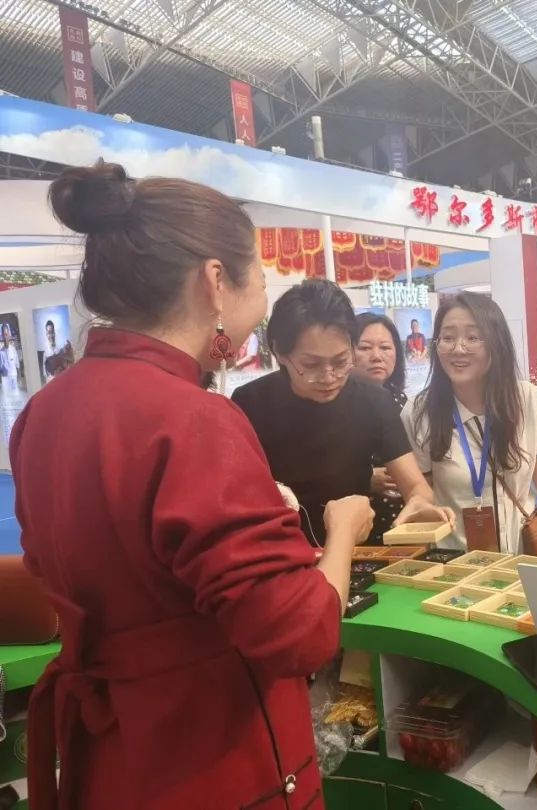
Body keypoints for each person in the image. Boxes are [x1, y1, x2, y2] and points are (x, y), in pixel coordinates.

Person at [11, 161, 374, 809]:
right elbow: (299, 634)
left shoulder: (46, 410)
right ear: (215, 281)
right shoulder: (193, 418)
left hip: (109, 753)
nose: (262, 297)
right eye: (259, 278)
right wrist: (342, 533)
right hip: (208, 755)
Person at [233, 279, 450, 546]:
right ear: (279, 351)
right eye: (311, 365)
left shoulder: (374, 402)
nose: (329, 377)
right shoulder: (250, 404)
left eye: (341, 361)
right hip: (279, 550)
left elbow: (416, 486)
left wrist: (419, 501)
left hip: (357, 552)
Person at [401, 293, 537, 557]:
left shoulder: (527, 400)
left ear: (497, 343)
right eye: (448, 337)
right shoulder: (418, 412)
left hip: (522, 557)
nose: (458, 348)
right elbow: (423, 494)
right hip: (454, 563)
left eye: (473, 337)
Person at [353, 312, 408, 544]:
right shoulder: (336, 405)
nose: (376, 356)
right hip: (359, 529)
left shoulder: (406, 403)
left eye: (385, 347)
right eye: (365, 348)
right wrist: (363, 479)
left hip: (406, 525)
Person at [0, 322, 21, 395]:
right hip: (5, 378)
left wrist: (19, 378)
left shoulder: (13, 349)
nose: (5, 337)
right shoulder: (1, 352)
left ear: (9, 335)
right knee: (8, 396)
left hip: (14, 376)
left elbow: (17, 365)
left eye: (6, 334)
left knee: (15, 394)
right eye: (4, 335)